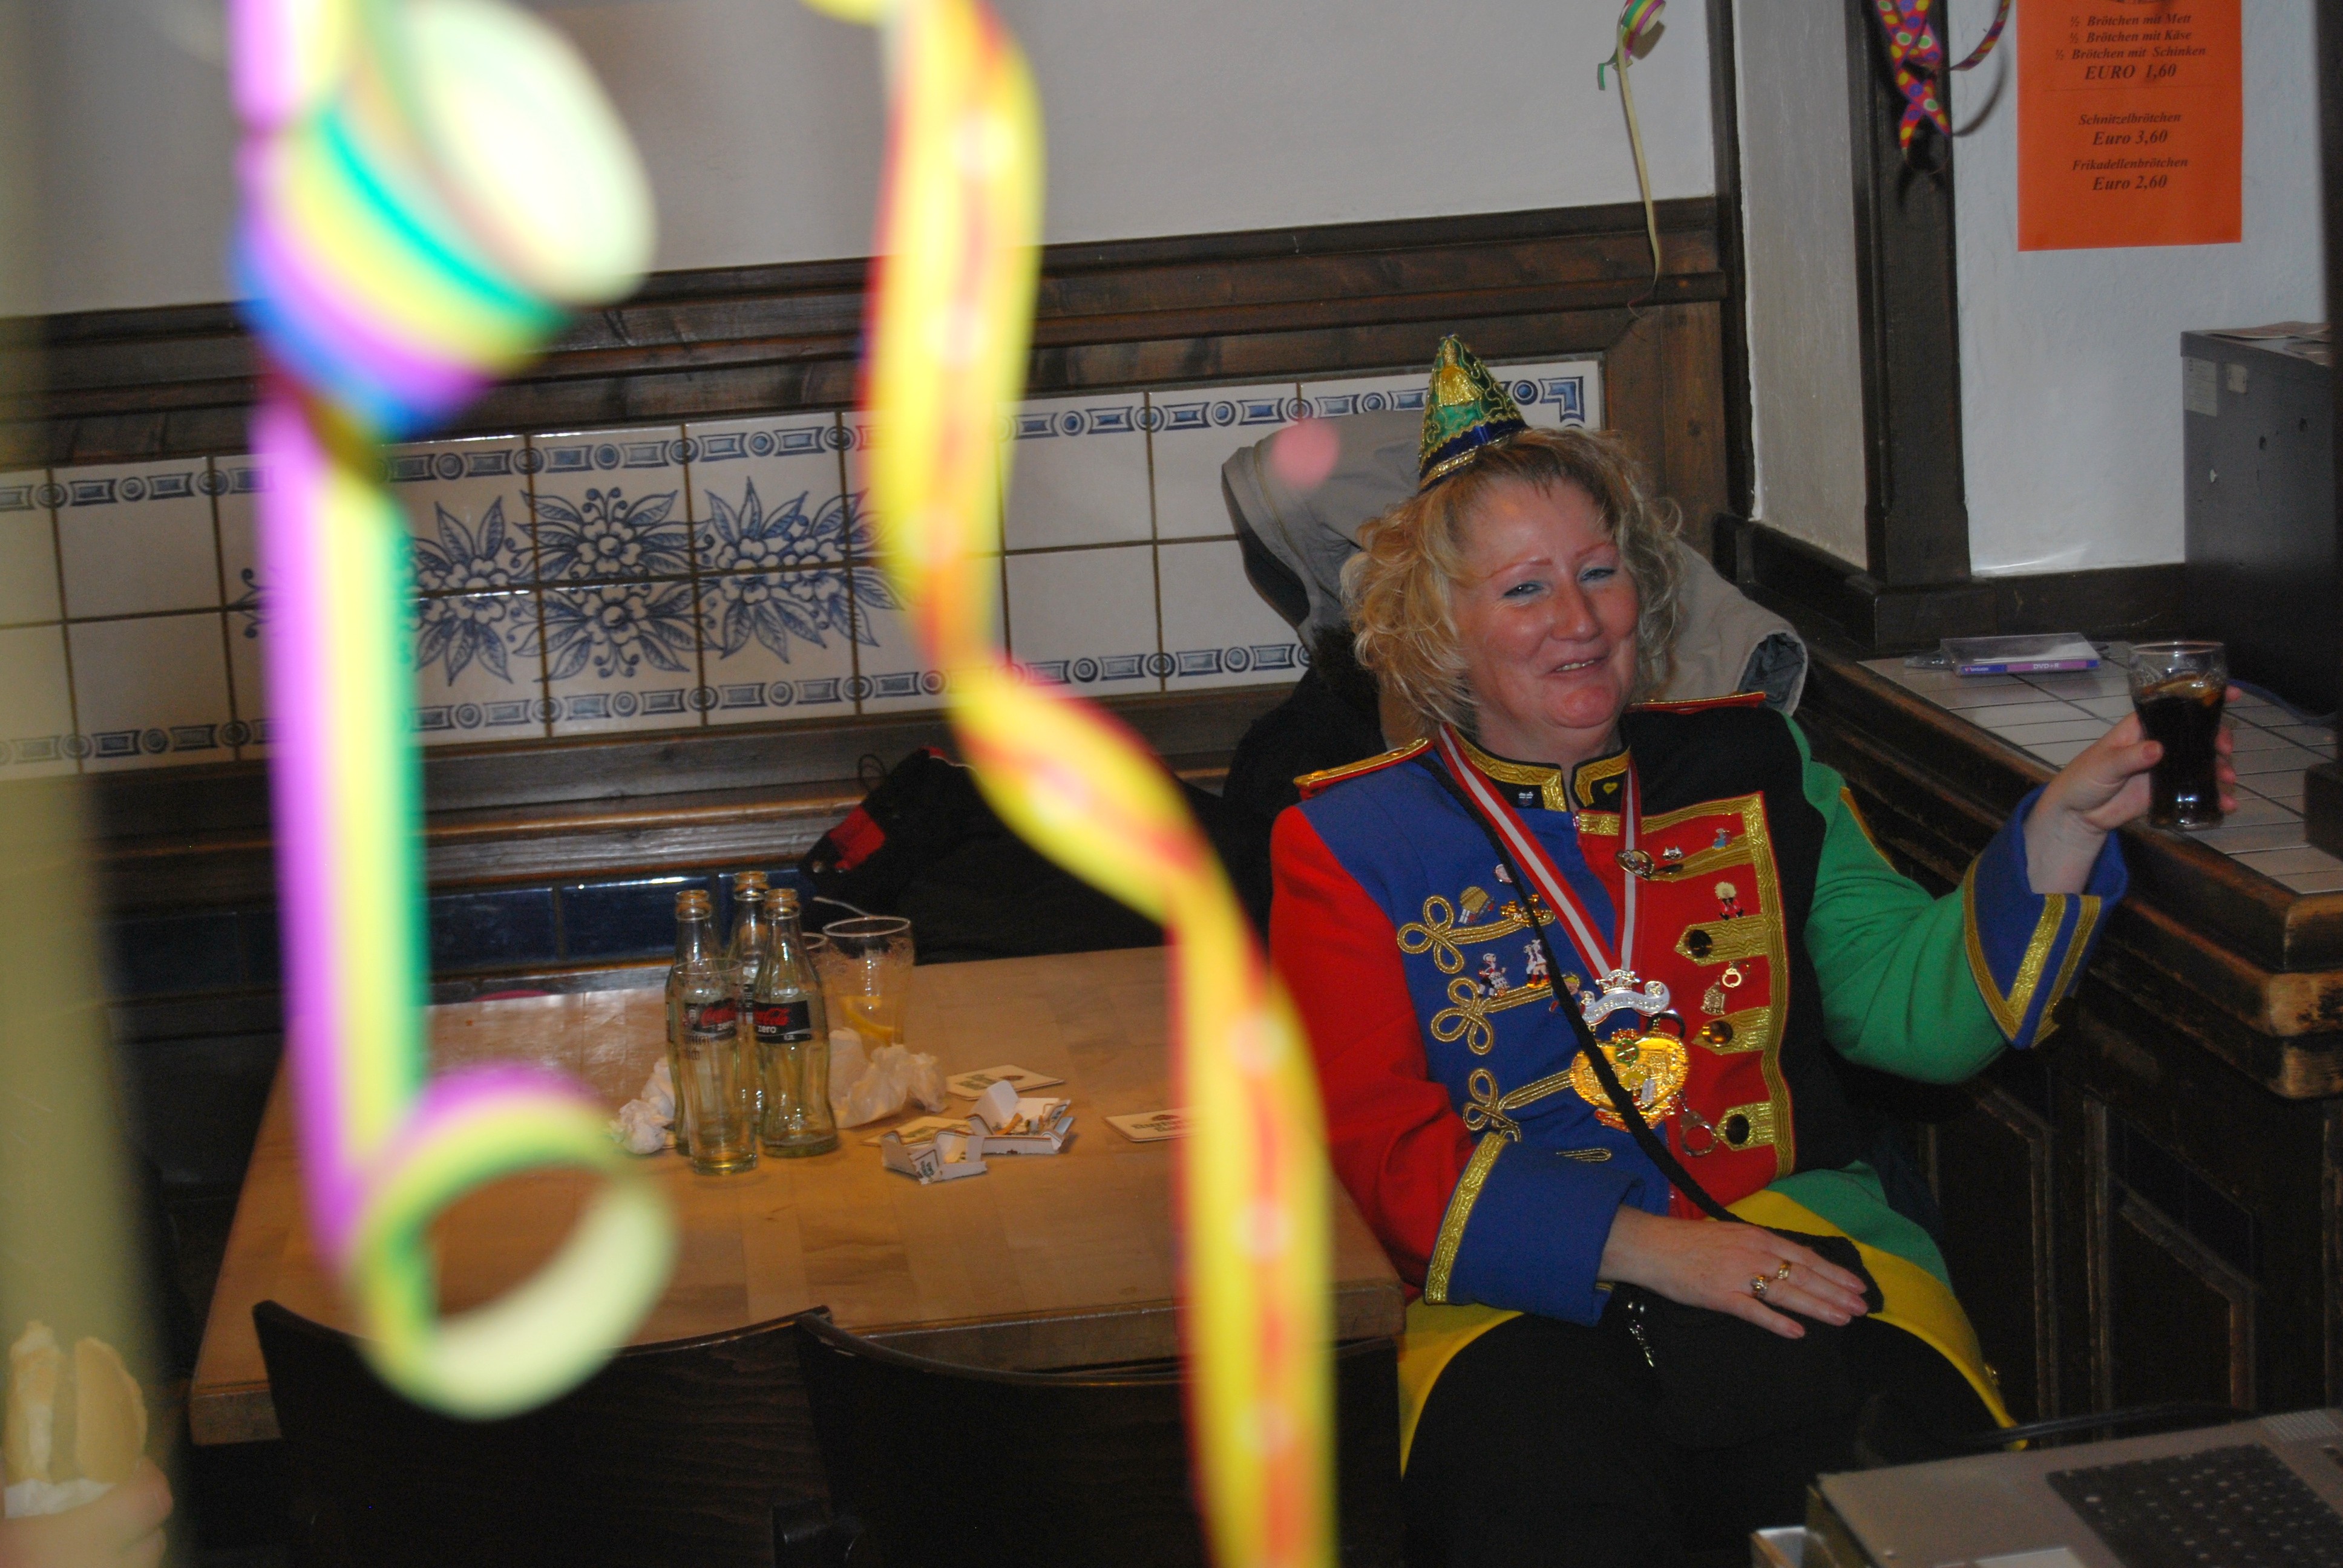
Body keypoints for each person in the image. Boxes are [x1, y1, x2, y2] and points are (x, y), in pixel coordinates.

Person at [1268, 338, 2235, 1566]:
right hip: (1517, 1294)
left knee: (1910, 1522)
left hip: (1799, 1242)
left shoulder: (1761, 767)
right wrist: (1652, 1250)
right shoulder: (1350, 839)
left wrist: (2057, 833)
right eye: (1523, 591)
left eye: (1600, 573)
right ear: (1439, 630)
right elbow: (1380, 1147)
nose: (1578, 622)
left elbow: (1916, 1018)